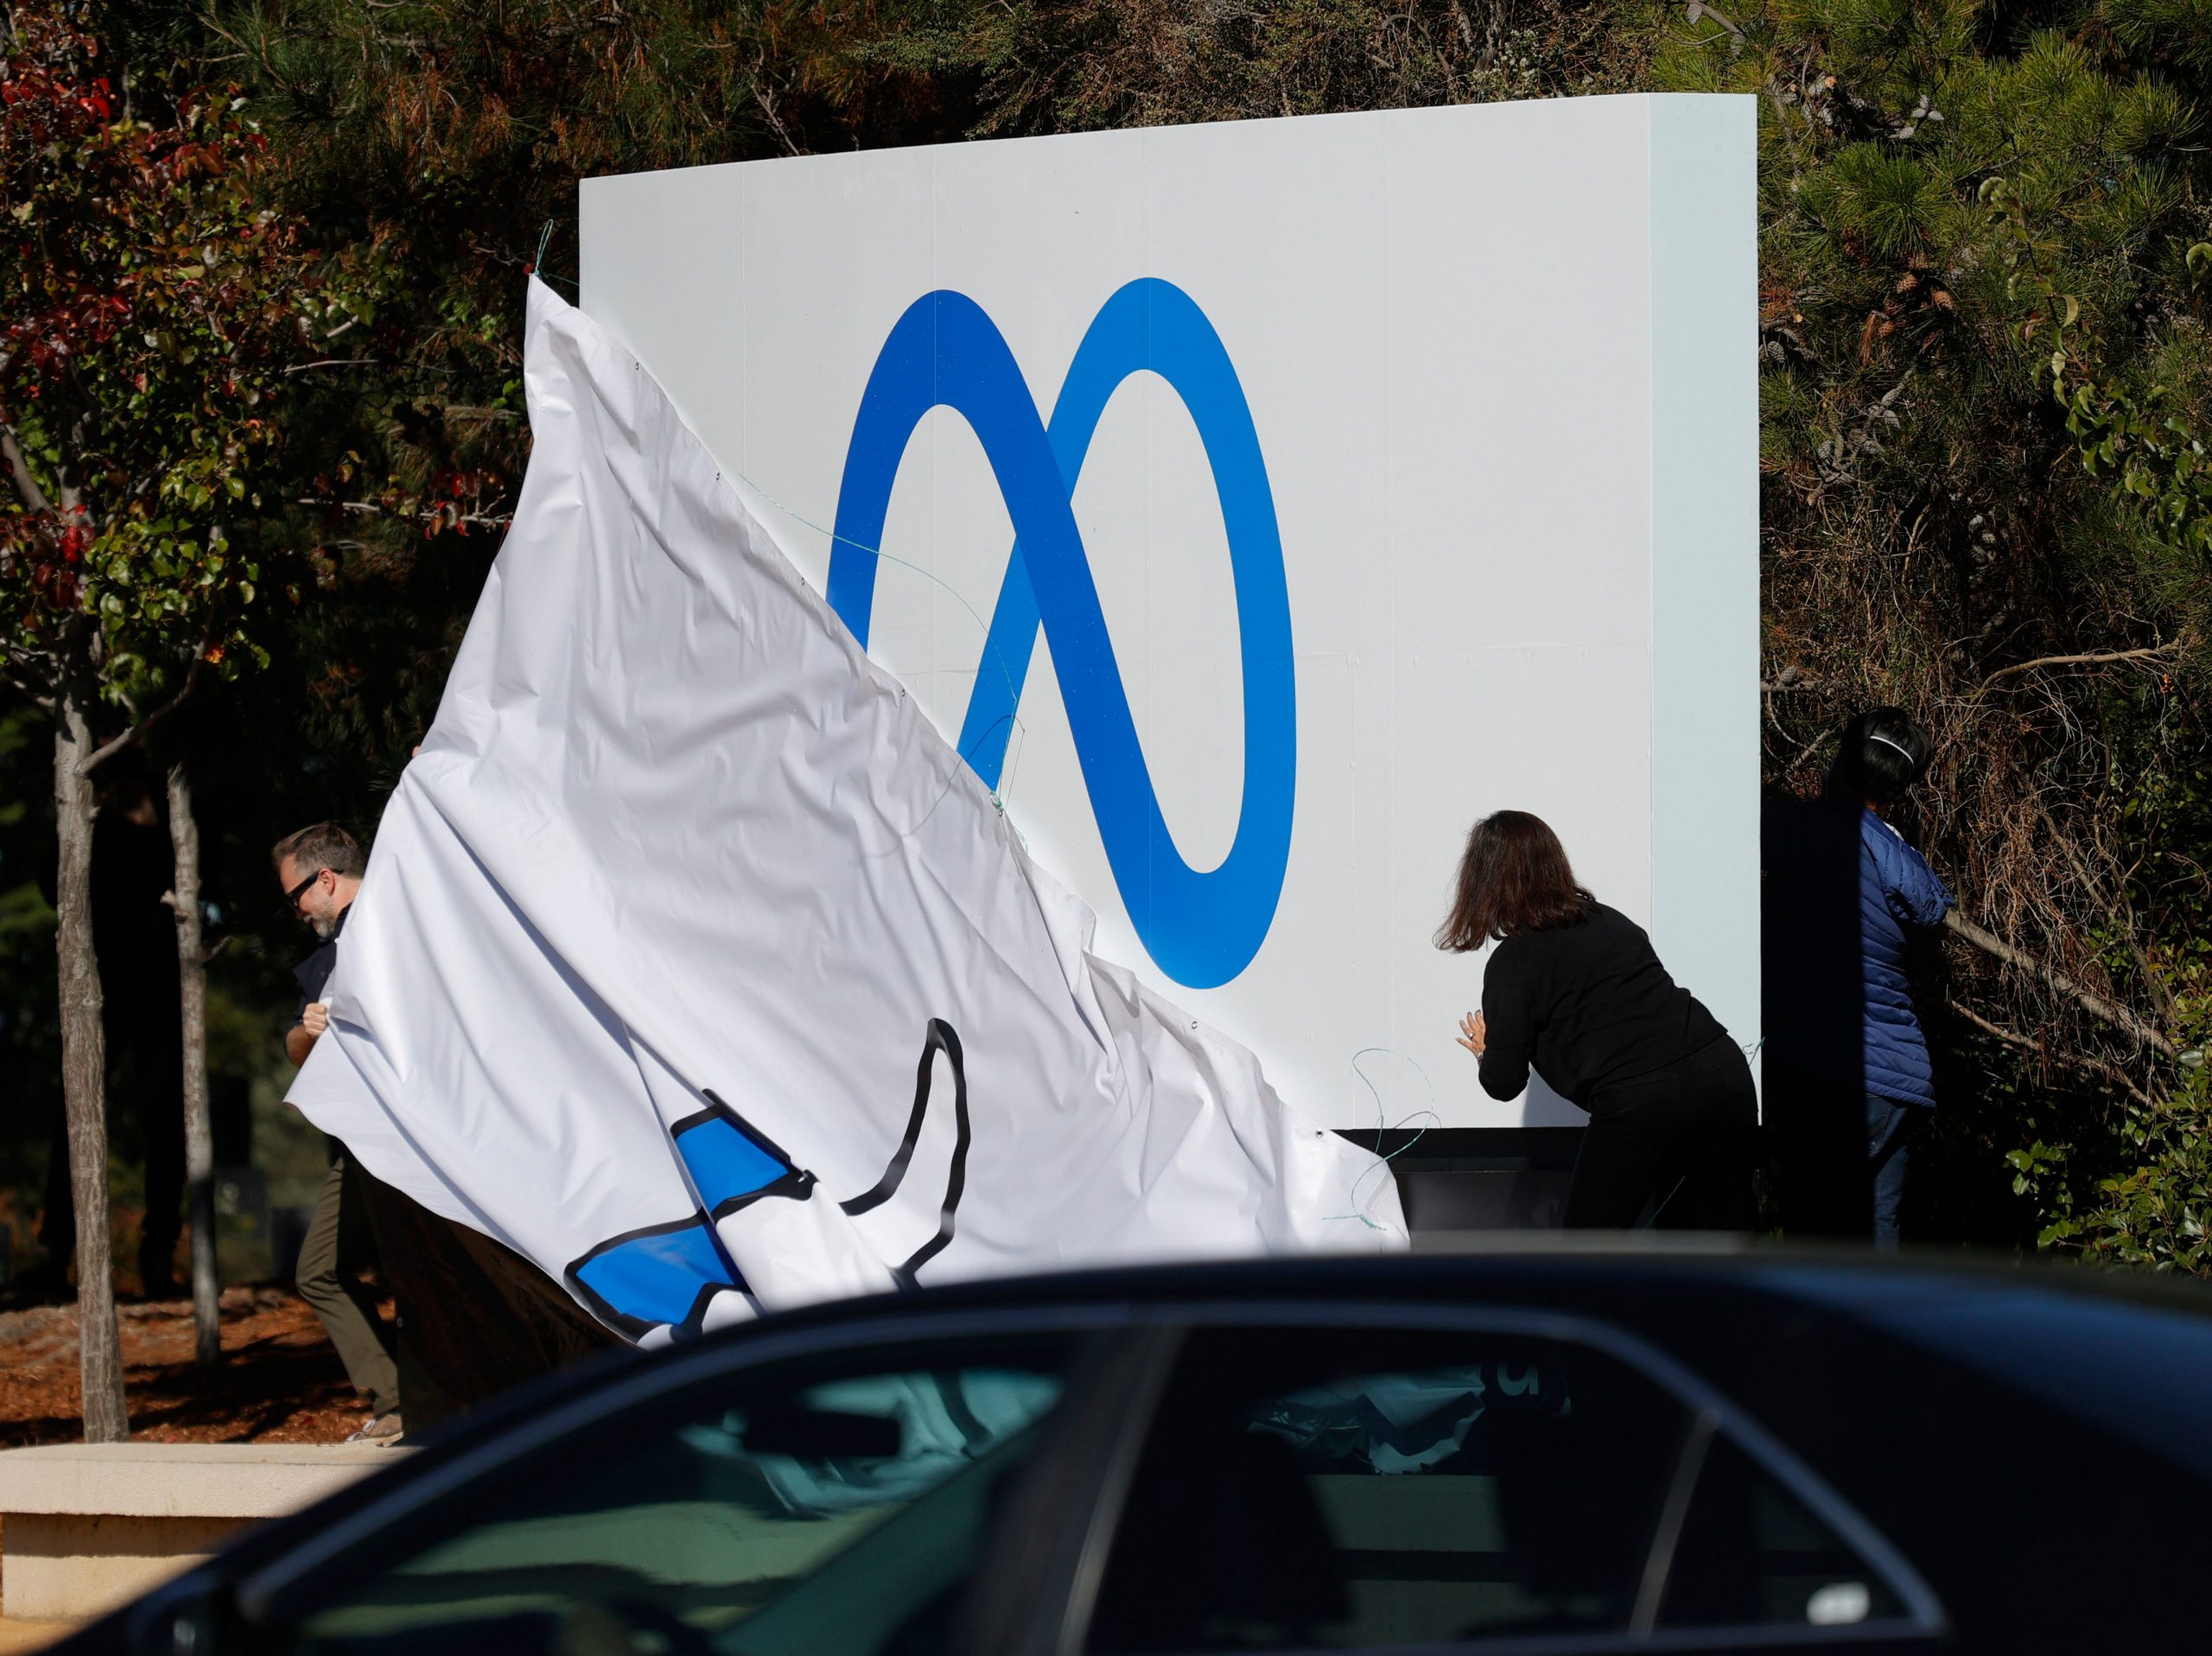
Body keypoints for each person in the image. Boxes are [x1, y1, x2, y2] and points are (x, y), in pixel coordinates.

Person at [1437, 810, 1755, 1231]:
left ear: (1486, 880)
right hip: (1722, 1070)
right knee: (1717, 1243)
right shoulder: (1610, 921)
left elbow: (1503, 1082)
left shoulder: (1514, 962)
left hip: (1642, 1100)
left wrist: (1486, 1051)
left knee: (1589, 1246)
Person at [1762, 707, 1954, 1246]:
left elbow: (1716, 824)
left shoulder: (1805, 829)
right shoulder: (1908, 863)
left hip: (1830, 1071)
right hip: (1899, 1078)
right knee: (1875, 1240)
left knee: (1818, 1237)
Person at [275, 822, 403, 1443]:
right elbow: (296, 1046)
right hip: (367, 1141)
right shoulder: (325, 961)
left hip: (423, 1133)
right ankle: (400, 1399)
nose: (295, 911)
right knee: (319, 1268)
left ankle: (411, 1401)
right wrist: (309, 1026)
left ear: (325, 878)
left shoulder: (400, 911)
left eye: (295, 894)